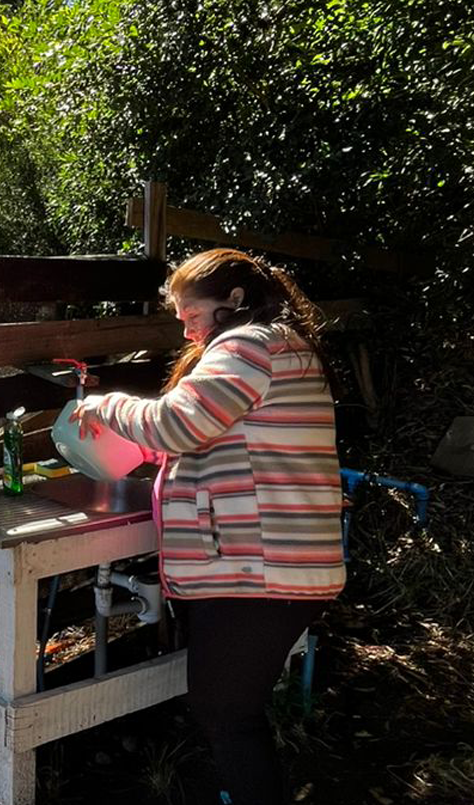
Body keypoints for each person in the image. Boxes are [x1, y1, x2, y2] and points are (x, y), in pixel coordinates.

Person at [70, 248, 345, 805]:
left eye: (187, 308)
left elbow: (180, 421)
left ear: (233, 300)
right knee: (231, 709)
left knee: (226, 712)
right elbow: (224, 437)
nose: (180, 320)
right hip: (268, 564)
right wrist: (155, 457)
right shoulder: (275, 344)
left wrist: (106, 405)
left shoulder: (249, 345)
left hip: (262, 568)